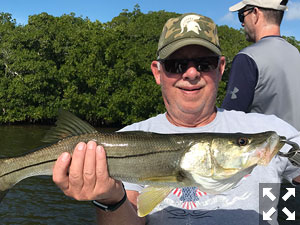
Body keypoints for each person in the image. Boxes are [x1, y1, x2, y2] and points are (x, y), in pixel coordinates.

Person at [52, 13, 300, 225]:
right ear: (157, 72)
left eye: (205, 63)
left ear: (221, 68)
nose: (191, 74)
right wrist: (108, 200)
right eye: (176, 65)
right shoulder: (122, 139)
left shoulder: (271, 130)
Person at [222, 0, 300, 131]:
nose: (242, 23)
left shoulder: (247, 57)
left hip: (269, 150)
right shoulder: (295, 52)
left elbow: (229, 120)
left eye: (242, 15)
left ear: (255, 13)